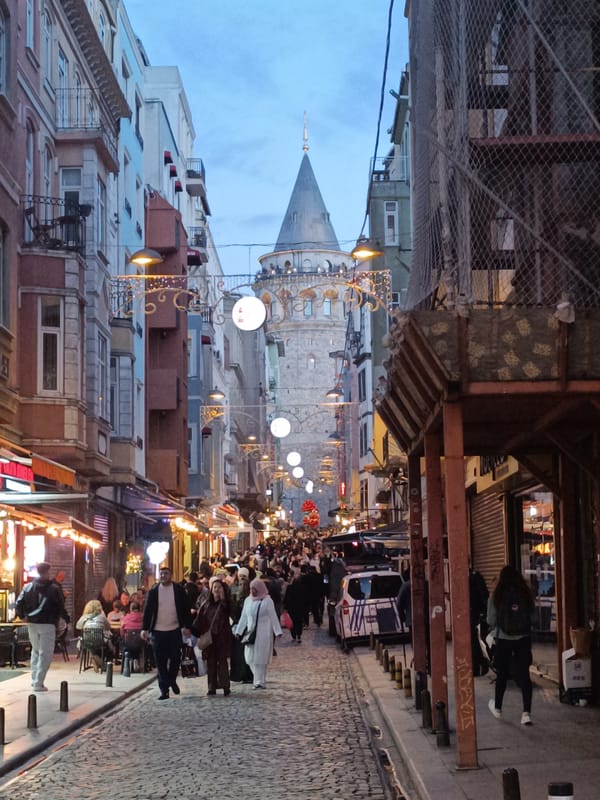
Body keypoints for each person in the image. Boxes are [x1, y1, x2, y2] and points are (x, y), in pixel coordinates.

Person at [487, 564, 535, 725]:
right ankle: (526, 713)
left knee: (502, 673)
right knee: (524, 675)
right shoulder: (525, 593)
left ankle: (498, 708)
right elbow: (533, 616)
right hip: (523, 638)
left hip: (504, 639)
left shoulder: (497, 595)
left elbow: (491, 620)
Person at [141, 566, 192, 700]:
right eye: (162, 573)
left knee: (176, 658)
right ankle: (164, 690)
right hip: (158, 631)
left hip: (174, 629)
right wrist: (144, 628)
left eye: (166, 573)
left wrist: (187, 626)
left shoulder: (178, 590)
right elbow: (148, 611)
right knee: (160, 661)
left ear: (171, 575)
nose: (163, 576)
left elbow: (185, 609)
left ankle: (171, 679)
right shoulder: (153, 591)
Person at [15, 561, 66, 692]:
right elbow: (60, 606)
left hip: (32, 623)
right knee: (46, 653)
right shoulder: (54, 588)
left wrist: (22, 616)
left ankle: (34, 680)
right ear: (48, 572)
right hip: (48, 624)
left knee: (36, 651)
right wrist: (61, 620)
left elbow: (19, 603)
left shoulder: (28, 587)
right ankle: (38, 682)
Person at [233, 577, 282, 689]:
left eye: (254, 589)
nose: (252, 591)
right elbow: (243, 618)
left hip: (263, 634)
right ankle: (259, 677)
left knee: (260, 658)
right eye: (251, 589)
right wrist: (239, 631)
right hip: (250, 633)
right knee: (249, 657)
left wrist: (277, 631)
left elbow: (273, 616)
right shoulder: (247, 601)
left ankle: (259, 681)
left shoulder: (267, 601)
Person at [193, 578, 233, 696]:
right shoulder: (206, 604)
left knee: (222, 662)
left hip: (222, 637)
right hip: (210, 637)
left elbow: (230, 613)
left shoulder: (226, 603)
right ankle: (212, 687)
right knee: (211, 663)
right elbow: (200, 619)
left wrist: (223, 600)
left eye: (219, 587)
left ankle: (225, 686)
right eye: (215, 587)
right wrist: (196, 632)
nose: (217, 589)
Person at [76, 599, 115, 671]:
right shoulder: (102, 617)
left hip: (86, 642)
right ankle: (102, 663)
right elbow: (108, 627)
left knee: (91, 645)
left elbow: (78, 626)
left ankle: (94, 658)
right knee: (107, 646)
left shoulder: (84, 617)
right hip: (99, 641)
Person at [283, 571, 306, 643]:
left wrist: (285, 607)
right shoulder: (302, 588)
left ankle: (293, 636)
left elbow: (286, 598)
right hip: (300, 607)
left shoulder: (289, 588)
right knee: (299, 622)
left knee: (292, 622)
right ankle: (299, 635)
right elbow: (305, 598)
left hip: (291, 608)